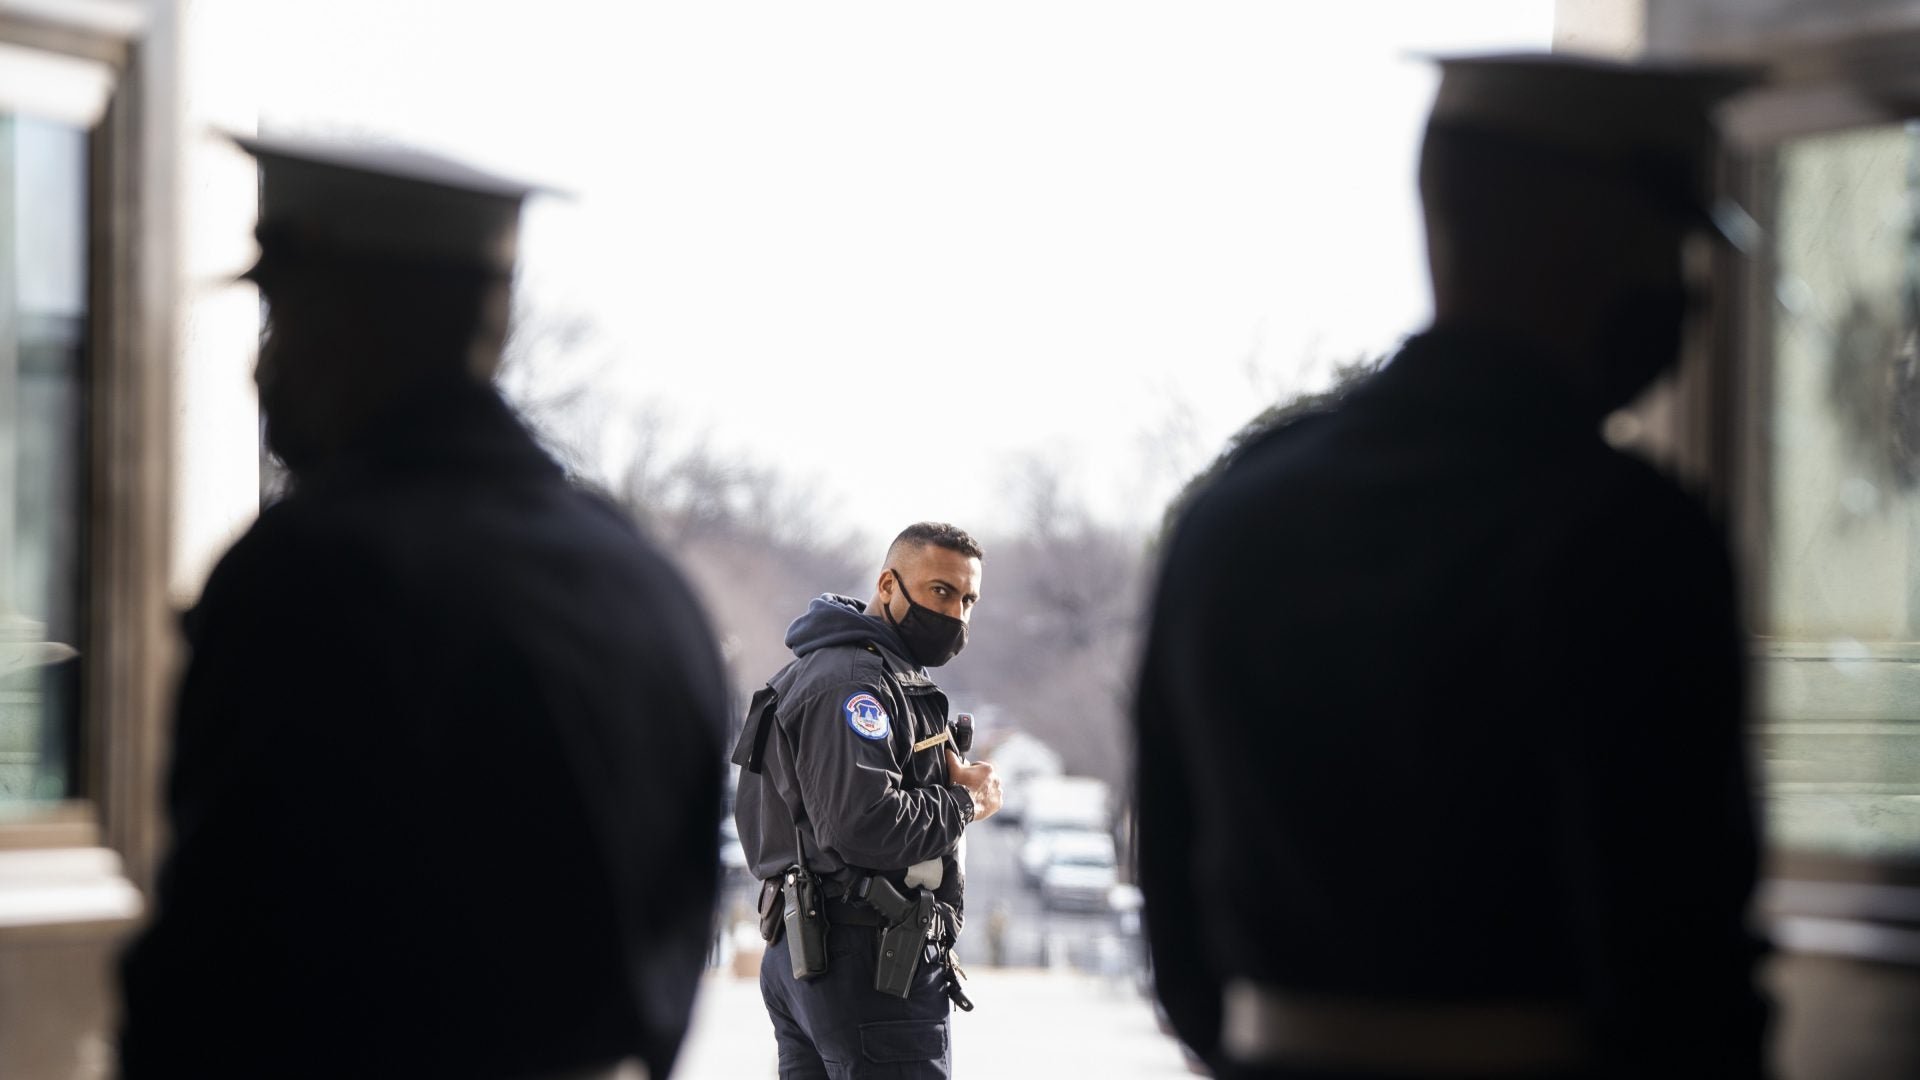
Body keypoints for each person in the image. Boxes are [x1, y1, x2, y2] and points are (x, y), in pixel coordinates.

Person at [1133, 55, 1770, 1079]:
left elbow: (1175, 907)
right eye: (1668, 244)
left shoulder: (1235, 511)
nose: (1681, 290)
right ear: (1583, 238)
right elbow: (1675, 958)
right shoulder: (1626, 532)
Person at [120, 134, 730, 1079]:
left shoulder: (311, 574)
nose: (262, 367)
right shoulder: (645, 587)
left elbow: (217, 975)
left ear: (360, 319)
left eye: (284, 314)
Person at [733, 522, 1004, 1079]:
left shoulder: (847, 671)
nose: (957, 614)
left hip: (820, 955)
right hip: (865, 962)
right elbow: (864, 823)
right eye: (940, 592)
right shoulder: (857, 682)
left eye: (968, 599)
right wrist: (965, 803)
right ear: (888, 585)